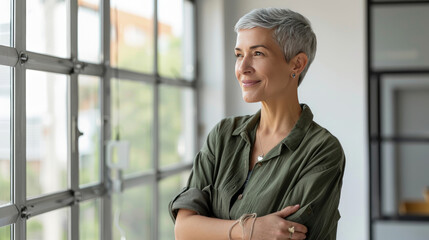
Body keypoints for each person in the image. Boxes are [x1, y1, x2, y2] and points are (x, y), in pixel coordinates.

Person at [169, 7, 345, 240]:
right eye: (239, 54)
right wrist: (249, 230)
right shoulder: (223, 135)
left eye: (258, 53)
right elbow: (183, 230)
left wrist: (209, 228)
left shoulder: (322, 151)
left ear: (297, 64)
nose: (242, 68)